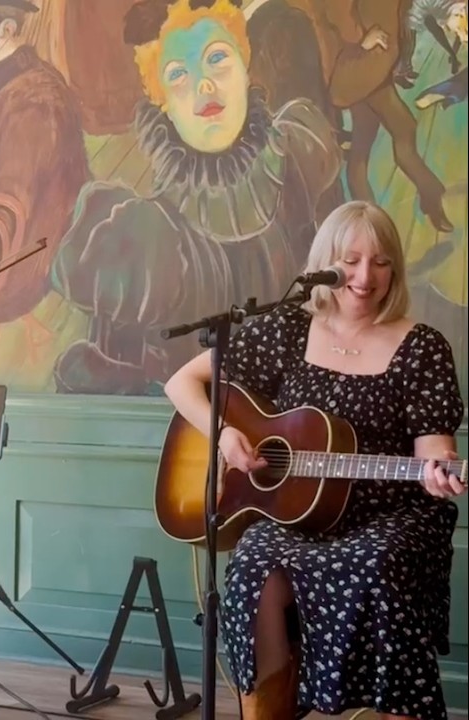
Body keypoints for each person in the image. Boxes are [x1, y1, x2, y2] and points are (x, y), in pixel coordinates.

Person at [163, 200, 465, 720]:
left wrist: (440, 473)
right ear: (325, 263)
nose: (365, 277)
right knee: (256, 561)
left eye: (381, 262)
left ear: (395, 269)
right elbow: (181, 382)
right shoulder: (284, 329)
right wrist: (226, 435)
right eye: (350, 260)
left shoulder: (422, 347)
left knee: (380, 561)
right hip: (295, 513)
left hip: (389, 514)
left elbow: (433, 452)